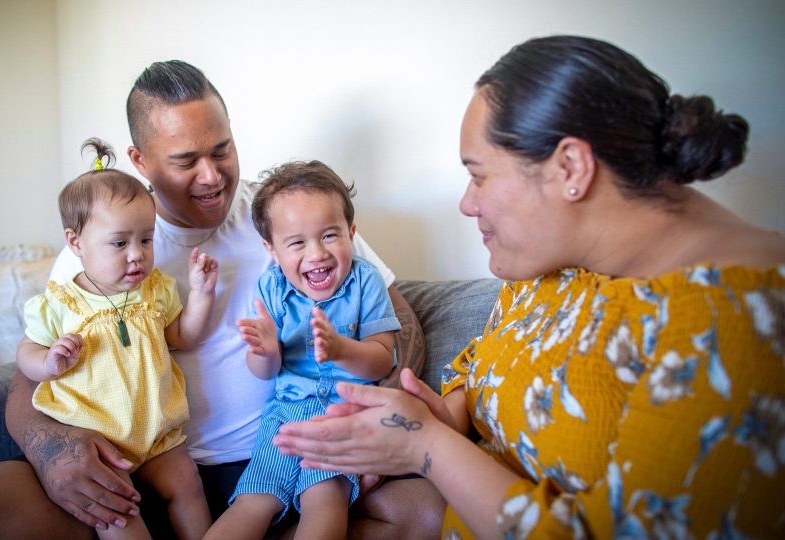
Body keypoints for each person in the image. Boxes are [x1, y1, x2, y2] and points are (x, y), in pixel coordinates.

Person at [273, 34, 785, 539]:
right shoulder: (546, 269)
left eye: (479, 176)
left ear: (570, 168)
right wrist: (429, 418)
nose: (466, 204)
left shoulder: (739, 320)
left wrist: (425, 447)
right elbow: (481, 376)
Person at [0, 61, 440, 539]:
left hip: (292, 450)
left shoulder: (291, 216)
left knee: (425, 510)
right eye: (185, 160)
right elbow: (28, 376)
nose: (212, 176)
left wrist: (379, 429)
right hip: (140, 467)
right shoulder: (103, 239)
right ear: (139, 159)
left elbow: (396, 324)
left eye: (222, 150)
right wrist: (54, 454)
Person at [15, 138, 216, 539]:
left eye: (146, 239)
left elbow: (184, 337)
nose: (137, 254)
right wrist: (49, 361)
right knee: (117, 515)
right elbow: (26, 353)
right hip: (98, 442)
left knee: (189, 486)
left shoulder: (155, 289)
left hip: (158, 435)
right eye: (120, 243)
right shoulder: (60, 302)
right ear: (76, 243)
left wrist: (202, 295)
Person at [206, 161, 400, 539]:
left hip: (345, 415)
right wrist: (264, 352)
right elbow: (264, 372)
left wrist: (342, 349)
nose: (317, 254)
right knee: (254, 499)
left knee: (323, 496)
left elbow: (382, 358)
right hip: (284, 416)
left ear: (351, 232)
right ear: (272, 250)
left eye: (330, 236)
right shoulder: (271, 287)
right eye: (297, 243)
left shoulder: (365, 281)